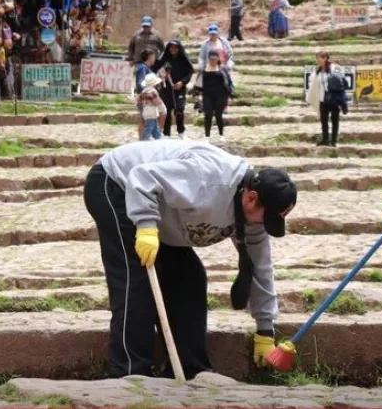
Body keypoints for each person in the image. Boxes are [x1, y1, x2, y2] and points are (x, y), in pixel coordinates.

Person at [82, 140, 298, 379]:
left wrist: (265, 330)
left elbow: (259, 268)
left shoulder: (255, 217)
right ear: (251, 198)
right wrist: (145, 225)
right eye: (264, 219)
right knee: (137, 279)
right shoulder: (209, 180)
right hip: (117, 183)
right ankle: (130, 374)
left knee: (190, 277)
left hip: (160, 205)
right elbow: (141, 177)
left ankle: (191, 369)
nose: (262, 226)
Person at [307, 51, 348, 147]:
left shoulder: (334, 68)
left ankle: (333, 141)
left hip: (334, 98)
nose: (318, 60)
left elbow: (341, 81)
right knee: (324, 120)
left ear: (325, 58)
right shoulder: (317, 70)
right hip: (323, 99)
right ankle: (325, 139)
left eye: (319, 58)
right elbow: (313, 82)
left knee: (335, 120)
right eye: (317, 58)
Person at [156, 40, 194, 139]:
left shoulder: (184, 60)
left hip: (180, 89)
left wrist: (182, 82)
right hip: (166, 89)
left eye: (175, 47)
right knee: (167, 111)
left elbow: (189, 73)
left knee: (179, 110)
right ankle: (166, 133)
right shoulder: (164, 59)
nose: (173, 49)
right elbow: (157, 70)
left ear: (179, 48)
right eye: (171, 47)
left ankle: (181, 132)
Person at [200, 50, 234, 144]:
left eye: (214, 59)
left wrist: (230, 93)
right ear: (208, 59)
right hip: (207, 95)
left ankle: (221, 135)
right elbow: (199, 84)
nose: (213, 61)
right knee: (208, 115)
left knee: (219, 115)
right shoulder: (204, 70)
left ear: (218, 59)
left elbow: (229, 83)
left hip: (220, 95)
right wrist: (198, 95)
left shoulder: (222, 69)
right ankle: (207, 136)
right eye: (211, 59)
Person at [134, 50, 158, 138]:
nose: (155, 59)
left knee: (148, 119)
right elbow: (141, 83)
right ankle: (142, 139)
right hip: (145, 99)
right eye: (154, 56)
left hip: (148, 99)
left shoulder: (147, 68)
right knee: (143, 119)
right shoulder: (142, 68)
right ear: (150, 57)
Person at [138, 74, 167, 141]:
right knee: (149, 127)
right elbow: (157, 102)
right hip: (152, 113)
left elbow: (139, 102)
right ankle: (145, 140)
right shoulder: (153, 92)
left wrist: (141, 111)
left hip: (146, 113)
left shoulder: (143, 92)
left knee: (155, 127)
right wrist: (163, 109)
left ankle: (158, 138)